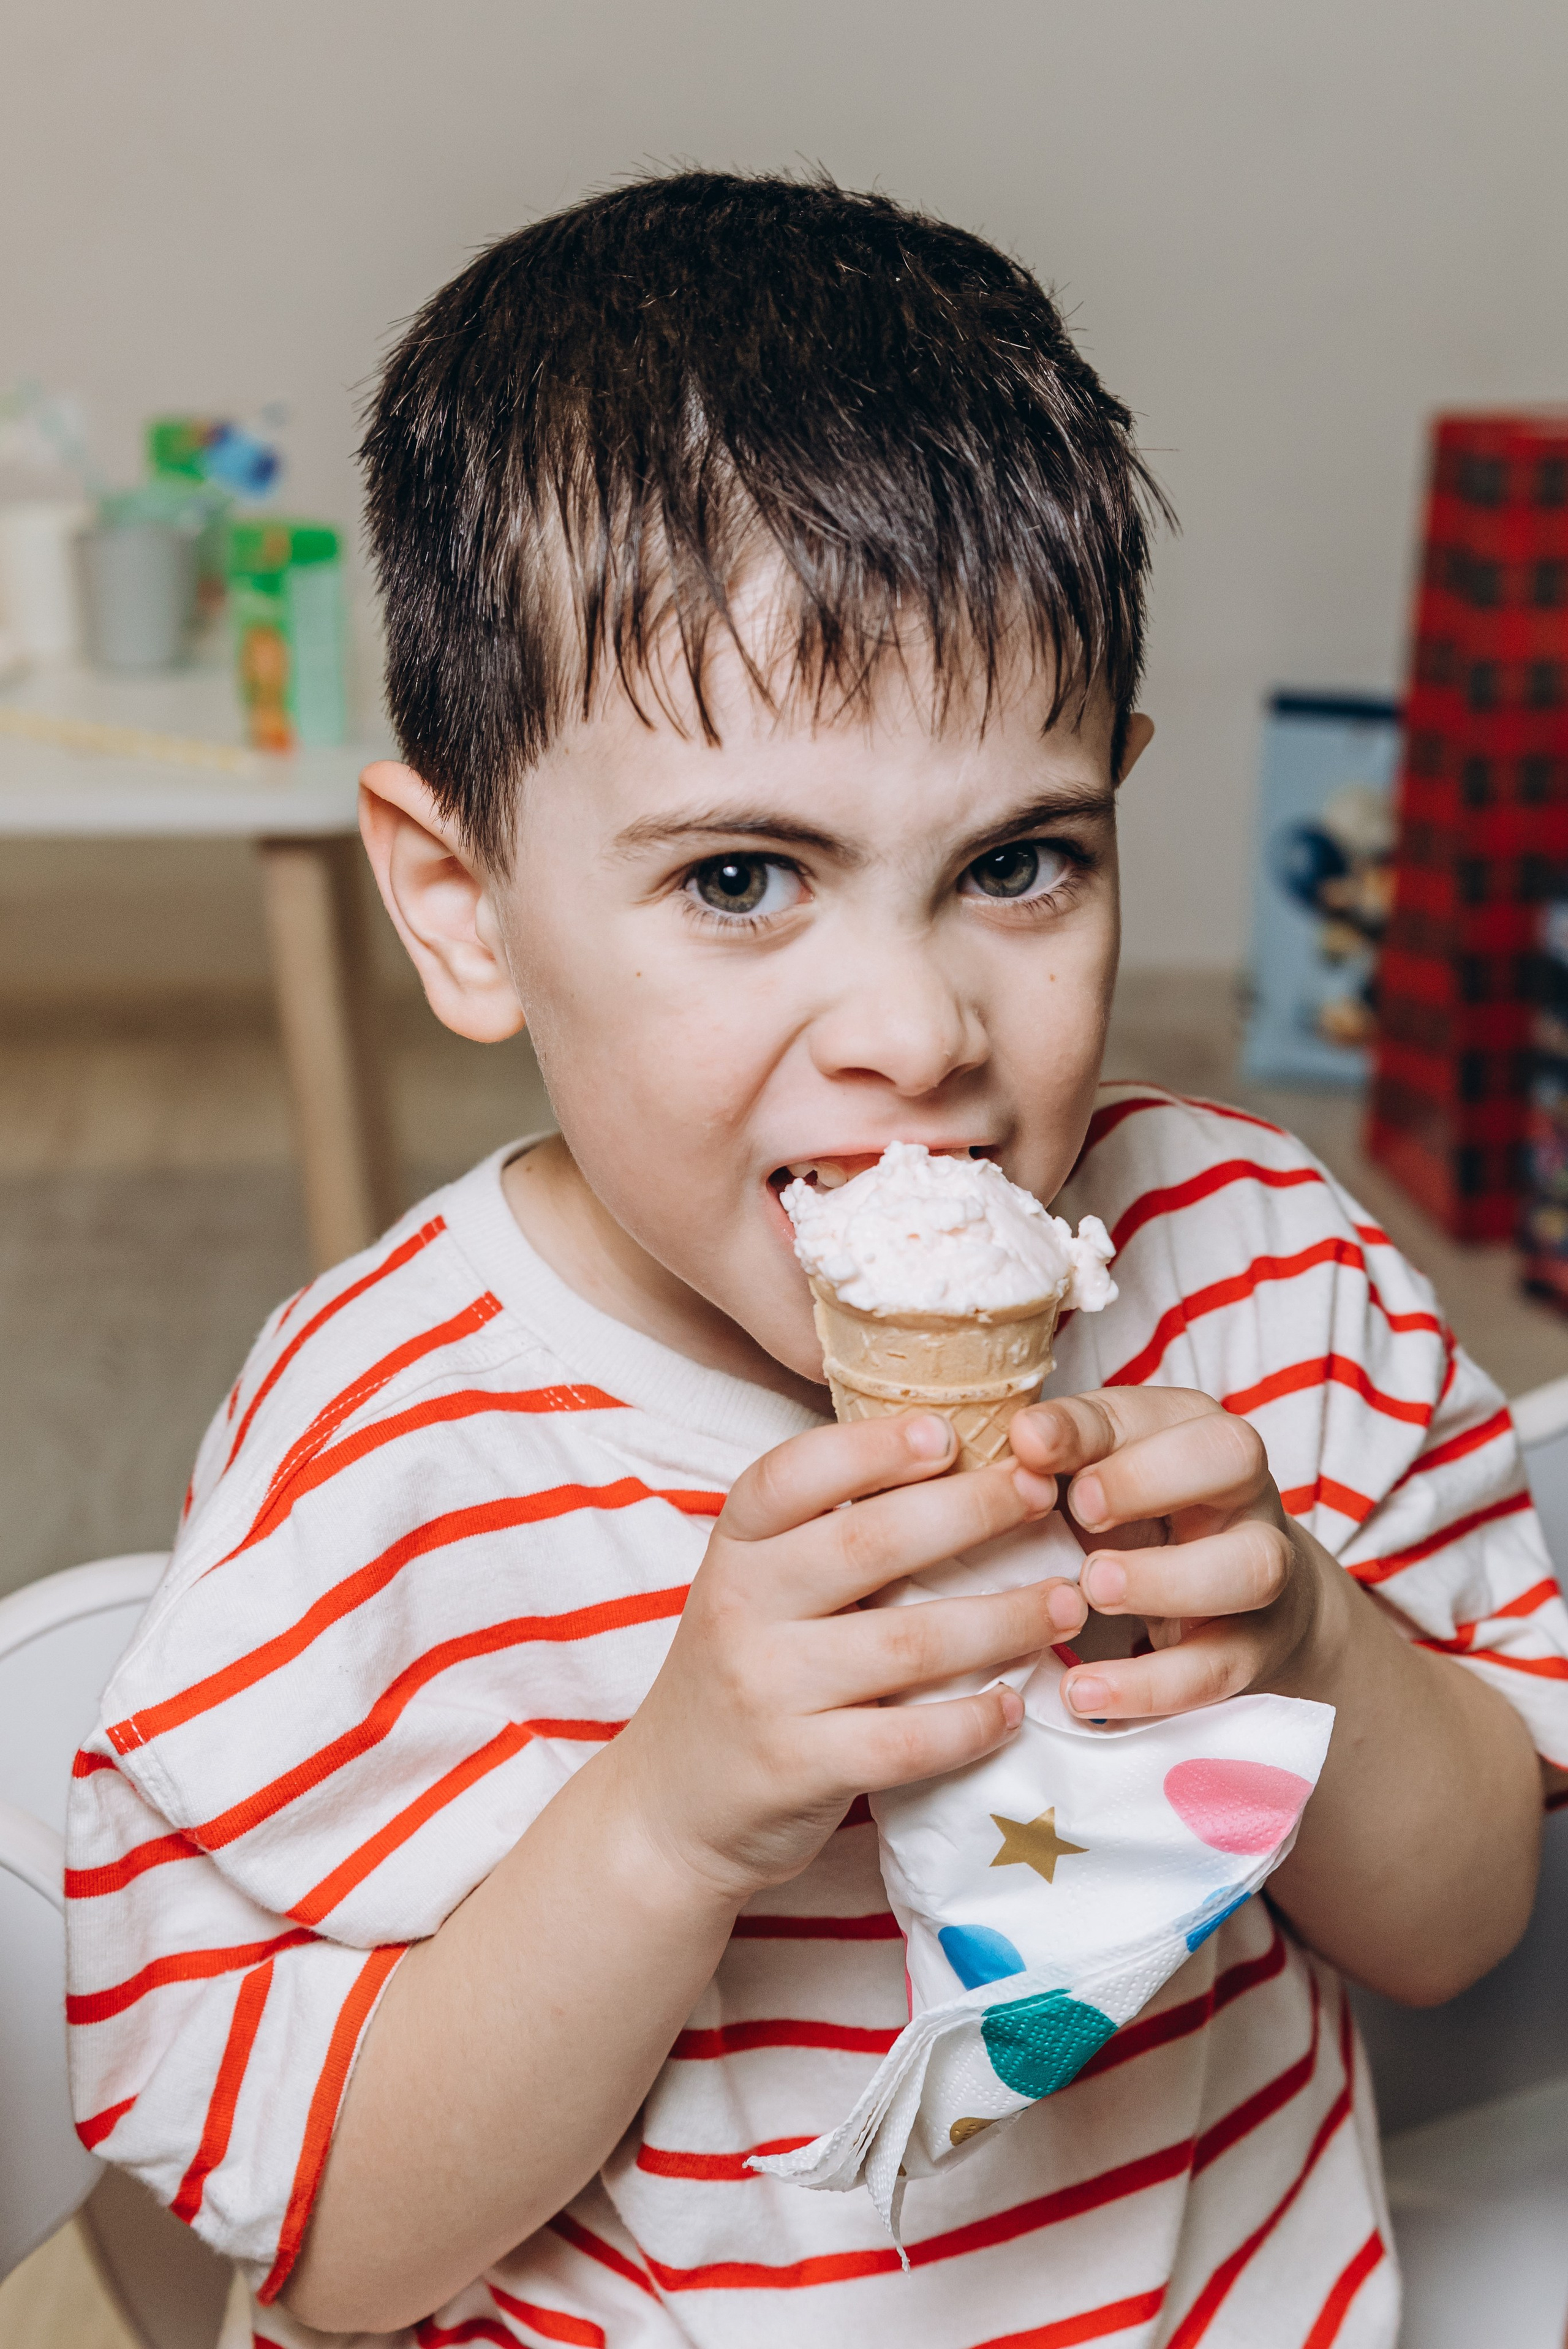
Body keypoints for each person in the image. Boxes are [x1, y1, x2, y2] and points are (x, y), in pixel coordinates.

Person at [65, 172, 1568, 2349]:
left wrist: (1311, 1649)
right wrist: (674, 1815)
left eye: (1021, 861)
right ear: (464, 903)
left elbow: (1464, 1927)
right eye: (747, 877)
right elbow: (332, 2245)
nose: (920, 1027)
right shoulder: (379, 1459)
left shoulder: (1269, 1276)